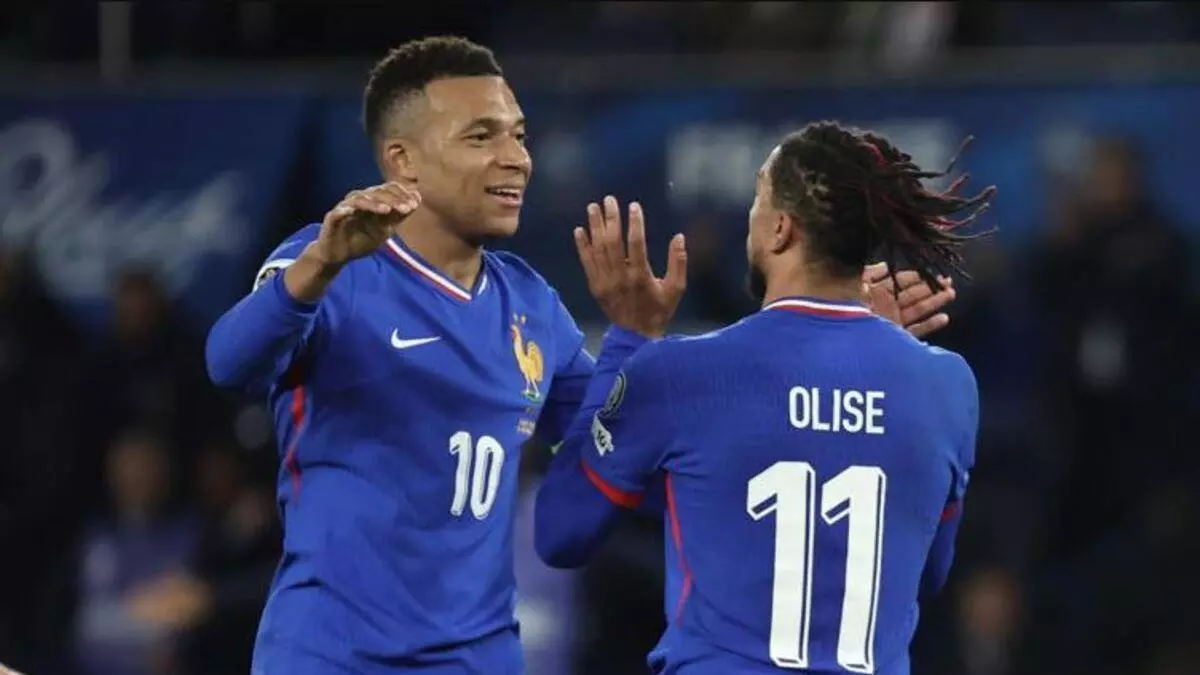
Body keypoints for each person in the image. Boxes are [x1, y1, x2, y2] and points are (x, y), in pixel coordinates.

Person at [205, 34, 959, 674]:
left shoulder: (529, 304)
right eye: (481, 137)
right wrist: (316, 268)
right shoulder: (333, 264)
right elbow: (230, 363)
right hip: (333, 653)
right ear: (402, 159)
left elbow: (627, 439)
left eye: (519, 134)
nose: (516, 158)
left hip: (479, 657)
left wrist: (840, 343)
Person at [534, 120, 994, 675]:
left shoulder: (682, 373)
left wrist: (628, 340)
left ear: (779, 229)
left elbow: (561, 532)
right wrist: (864, 353)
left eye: (758, 198)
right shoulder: (949, 385)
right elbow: (928, 570)